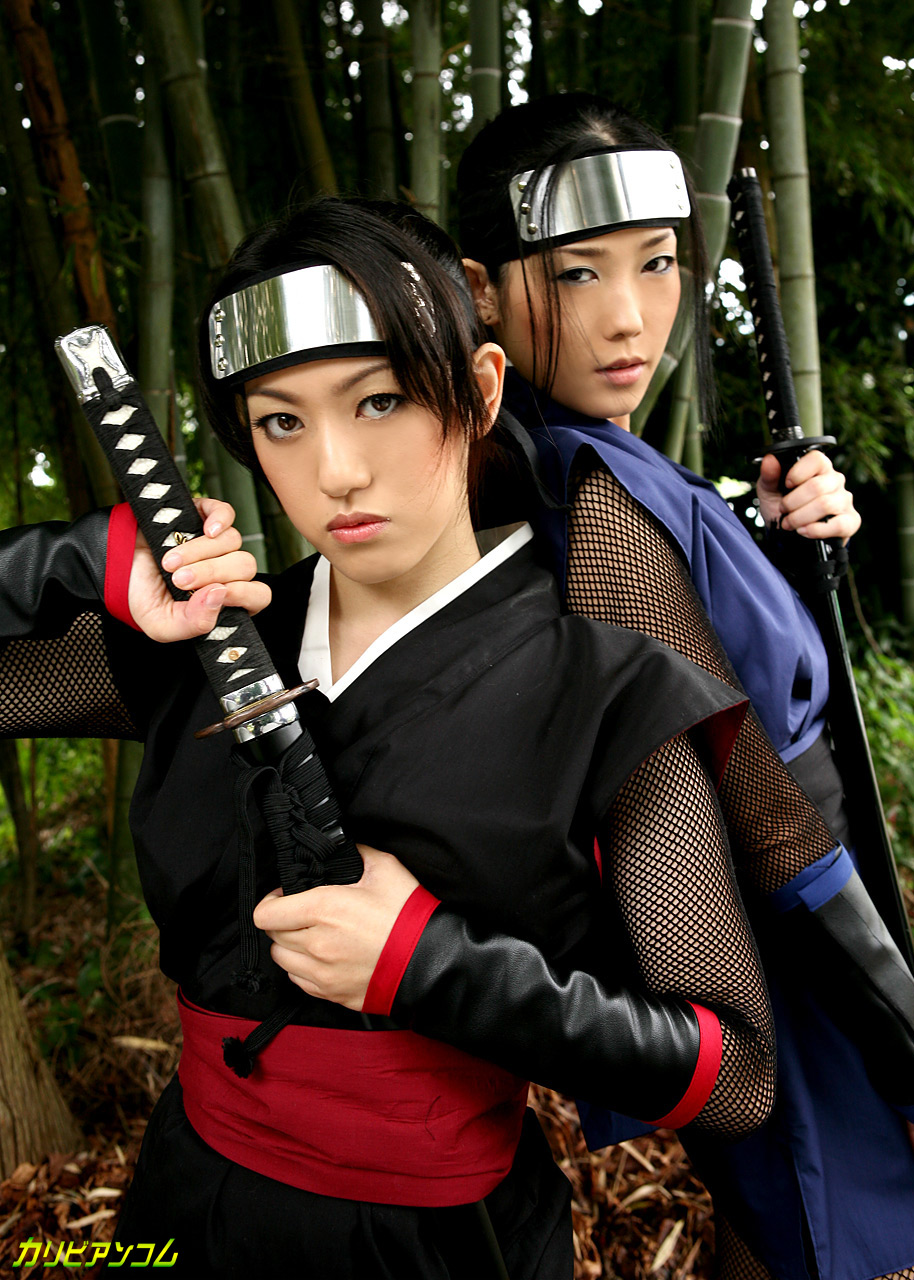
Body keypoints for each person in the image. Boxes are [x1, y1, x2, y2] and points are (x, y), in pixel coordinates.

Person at [0, 197, 785, 1278]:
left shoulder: (603, 691)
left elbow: (736, 1074)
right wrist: (72, 564)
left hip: (443, 1245)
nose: (335, 470)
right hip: (180, 1208)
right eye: (282, 422)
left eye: (381, 400)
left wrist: (433, 965)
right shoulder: (209, 639)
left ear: (481, 390)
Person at [445, 91, 914, 1279]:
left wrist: (771, 546)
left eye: (659, 261)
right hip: (798, 975)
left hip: (812, 966)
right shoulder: (595, 501)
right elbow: (763, 810)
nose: (630, 315)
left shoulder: (599, 466)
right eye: (576, 273)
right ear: (482, 291)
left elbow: (709, 676)